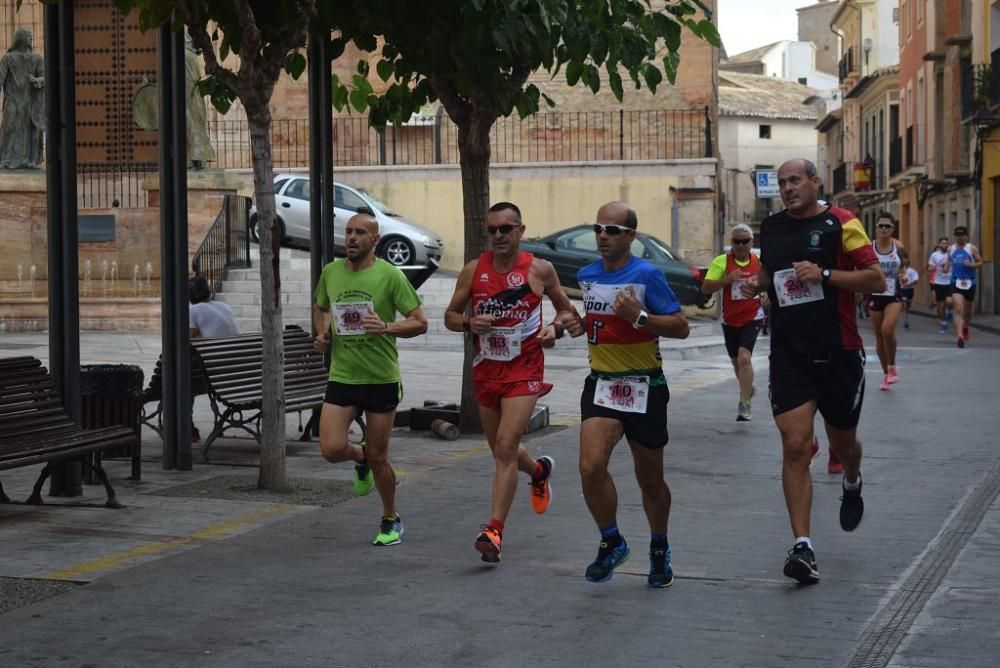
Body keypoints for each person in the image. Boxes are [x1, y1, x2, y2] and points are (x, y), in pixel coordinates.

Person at [746, 159, 884, 584]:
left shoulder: (842, 222)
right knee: (795, 444)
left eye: (795, 180)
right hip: (789, 352)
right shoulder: (771, 228)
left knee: (843, 443)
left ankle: (854, 479)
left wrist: (823, 273)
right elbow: (769, 271)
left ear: (814, 182)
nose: (787, 188)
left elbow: (876, 279)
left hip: (838, 350)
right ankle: (803, 547)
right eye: (782, 182)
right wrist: (760, 283)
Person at [444, 202, 583, 563]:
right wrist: (467, 324)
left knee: (506, 445)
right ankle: (538, 470)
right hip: (486, 370)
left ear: (521, 230)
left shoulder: (540, 269)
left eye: (506, 229)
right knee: (501, 451)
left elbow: (566, 310)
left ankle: (493, 531)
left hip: (525, 369)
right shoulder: (474, 271)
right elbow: (449, 315)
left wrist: (554, 328)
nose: (498, 236)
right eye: (491, 230)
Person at [565, 201, 690, 588]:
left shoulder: (648, 274)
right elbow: (597, 320)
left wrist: (640, 317)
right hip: (602, 381)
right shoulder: (586, 274)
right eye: (598, 228)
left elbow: (681, 326)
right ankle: (611, 540)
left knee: (650, 479)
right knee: (590, 467)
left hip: (644, 385)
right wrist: (577, 323)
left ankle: (659, 546)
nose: (603, 235)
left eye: (612, 230)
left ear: (630, 236)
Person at [313, 213, 427, 546]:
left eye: (360, 233)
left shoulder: (389, 276)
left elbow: (420, 322)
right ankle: (357, 457)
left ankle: (391, 518)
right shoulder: (331, 273)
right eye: (348, 232)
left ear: (374, 240)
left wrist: (387, 327)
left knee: (380, 457)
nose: (351, 238)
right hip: (343, 376)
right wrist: (322, 333)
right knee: (331, 448)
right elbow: (320, 306)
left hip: (380, 378)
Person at [701, 223, 764, 421]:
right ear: (732, 243)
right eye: (737, 241)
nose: (741, 245)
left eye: (745, 241)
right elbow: (706, 288)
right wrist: (726, 280)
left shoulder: (760, 262)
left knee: (744, 357)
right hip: (730, 319)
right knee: (737, 362)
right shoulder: (722, 261)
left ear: (752, 243)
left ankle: (744, 403)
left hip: (753, 316)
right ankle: (747, 386)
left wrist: (764, 292)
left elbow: (769, 285)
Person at [188, 276, 240, 441]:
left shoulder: (192, 310)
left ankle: (188, 429)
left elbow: (189, 343)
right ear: (209, 292)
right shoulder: (223, 306)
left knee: (182, 383)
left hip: (213, 376)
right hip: (237, 373)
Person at [865, 212, 908, 391]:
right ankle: (886, 374)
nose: (884, 229)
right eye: (881, 226)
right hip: (875, 294)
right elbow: (862, 267)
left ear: (893, 229)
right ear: (876, 228)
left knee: (887, 329)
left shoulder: (898, 246)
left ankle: (892, 366)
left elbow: (905, 264)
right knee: (879, 337)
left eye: (887, 226)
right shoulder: (869, 248)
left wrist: (904, 275)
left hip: (893, 294)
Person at [0, 28, 44, 170]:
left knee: (27, 129)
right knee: (9, 127)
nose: (31, 38)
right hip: (12, 99)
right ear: (20, 39)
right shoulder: (7, 58)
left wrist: (36, 80)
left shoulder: (37, 59)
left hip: (29, 101)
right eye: (28, 36)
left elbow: (45, 78)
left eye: (31, 36)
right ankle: (5, 159)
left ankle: (28, 160)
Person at [948, 226, 984, 348]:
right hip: (955, 282)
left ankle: (965, 325)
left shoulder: (971, 248)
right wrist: (947, 266)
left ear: (966, 236)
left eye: (962, 235)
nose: (960, 238)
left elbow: (980, 262)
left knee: (967, 312)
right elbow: (949, 260)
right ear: (955, 236)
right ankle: (959, 336)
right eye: (957, 235)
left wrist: (971, 264)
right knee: (958, 308)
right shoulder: (951, 249)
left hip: (969, 283)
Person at [926, 236, 953, 334]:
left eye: (946, 243)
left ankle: (949, 311)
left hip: (950, 281)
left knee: (950, 301)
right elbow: (930, 267)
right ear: (939, 244)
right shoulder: (934, 255)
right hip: (939, 282)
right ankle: (944, 322)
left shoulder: (951, 254)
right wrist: (932, 269)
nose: (945, 245)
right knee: (941, 305)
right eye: (943, 243)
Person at [899, 258, 919, 329]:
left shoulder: (912, 271)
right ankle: (906, 320)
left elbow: (915, 280)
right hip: (901, 290)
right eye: (903, 260)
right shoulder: (899, 270)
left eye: (906, 260)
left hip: (909, 290)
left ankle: (906, 312)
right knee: (904, 304)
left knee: (907, 306)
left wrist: (909, 284)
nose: (905, 261)